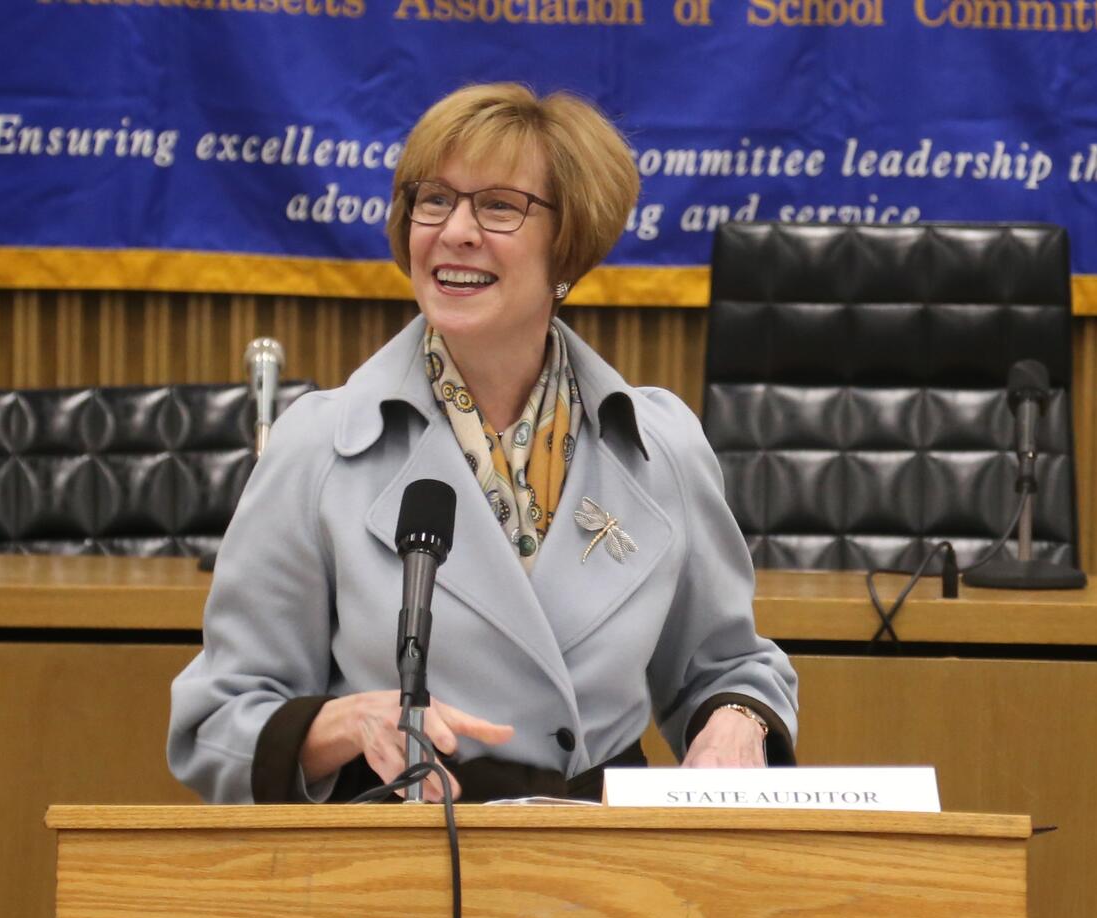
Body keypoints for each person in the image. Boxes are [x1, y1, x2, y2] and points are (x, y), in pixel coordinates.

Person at [168, 83, 797, 804]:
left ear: (570, 244)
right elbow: (218, 717)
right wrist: (341, 725)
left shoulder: (659, 446)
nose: (455, 231)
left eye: (499, 207)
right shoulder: (318, 448)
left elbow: (725, 669)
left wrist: (736, 720)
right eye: (433, 200)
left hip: (602, 874)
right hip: (394, 869)